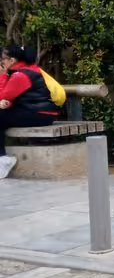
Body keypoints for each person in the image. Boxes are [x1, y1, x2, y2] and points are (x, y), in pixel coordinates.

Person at [0, 45, 58, 179]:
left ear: (12, 60)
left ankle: (3, 159)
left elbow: (4, 95)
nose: (1, 61)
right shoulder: (29, 70)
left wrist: (2, 76)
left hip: (39, 114)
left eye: (3, 58)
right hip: (41, 113)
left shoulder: (20, 75)